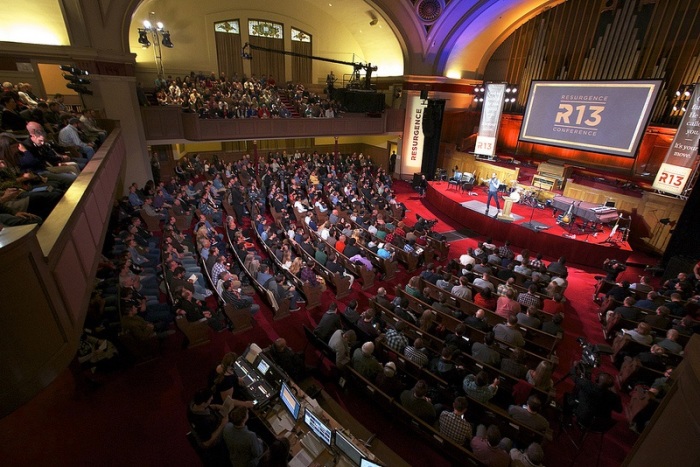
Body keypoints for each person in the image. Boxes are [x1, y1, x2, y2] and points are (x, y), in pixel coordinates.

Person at [187, 388, 229, 466]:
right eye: (210, 399)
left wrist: (215, 406)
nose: (212, 399)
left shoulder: (193, 404)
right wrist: (223, 424)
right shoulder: (202, 422)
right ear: (203, 403)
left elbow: (206, 407)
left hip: (210, 424)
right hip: (212, 442)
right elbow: (207, 443)